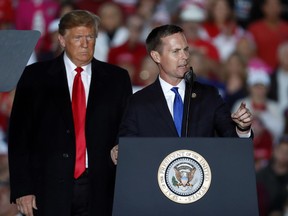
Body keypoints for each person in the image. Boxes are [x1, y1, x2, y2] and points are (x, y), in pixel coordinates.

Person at [8, 10, 132, 216]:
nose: (85, 44)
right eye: (77, 37)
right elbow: (20, 137)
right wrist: (23, 189)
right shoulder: (34, 77)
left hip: (101, 188)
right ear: (62, 40)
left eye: (90, 37)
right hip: (46, 188)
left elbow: (126, 127)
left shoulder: (117, 79)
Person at [111, 24, 253, 164]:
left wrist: (242, 128)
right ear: (156, 56)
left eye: (186, 49)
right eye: (176, 51)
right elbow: (126, 146)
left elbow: (232, 140)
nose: (184, 56)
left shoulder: (208, 96)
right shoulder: (139, 102)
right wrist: (118, 151)